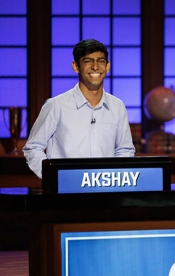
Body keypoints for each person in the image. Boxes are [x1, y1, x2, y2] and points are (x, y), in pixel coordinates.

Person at [23, 39, 135, 178]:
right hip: (65, 194)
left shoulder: (117, 106)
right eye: (88, 61)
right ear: (76, 66)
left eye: (100, 61)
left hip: (106, 192)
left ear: (107, 66)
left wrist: (114, 178)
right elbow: (33, 147)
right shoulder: (56, 105)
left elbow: (124, 150)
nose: (95, 67)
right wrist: (53, 177)